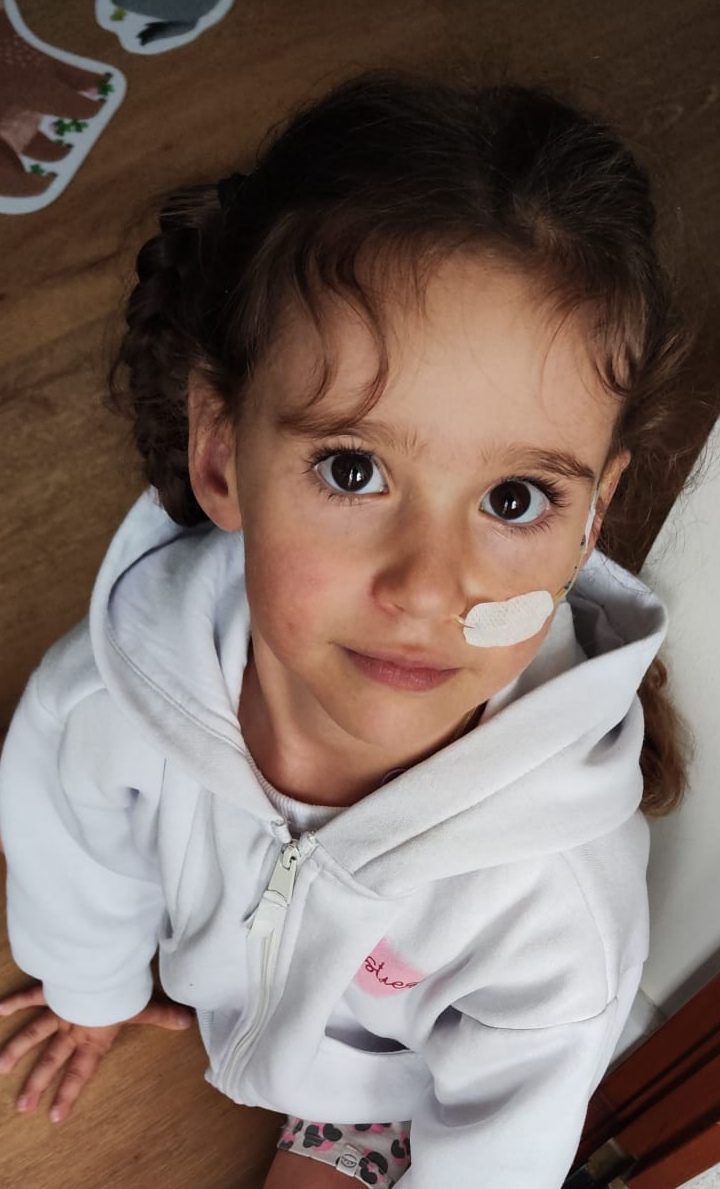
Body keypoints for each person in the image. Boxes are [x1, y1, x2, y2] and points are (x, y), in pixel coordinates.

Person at [0, 66, 702, 1188]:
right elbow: (70, 835)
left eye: (515, 498)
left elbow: (502, 1145)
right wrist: (93, 985)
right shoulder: (117, 685)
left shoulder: (554, 906)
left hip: (384, 1091)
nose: (427, 588)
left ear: (591, 520)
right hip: (222, 974)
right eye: (353, 469)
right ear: (222, 453)